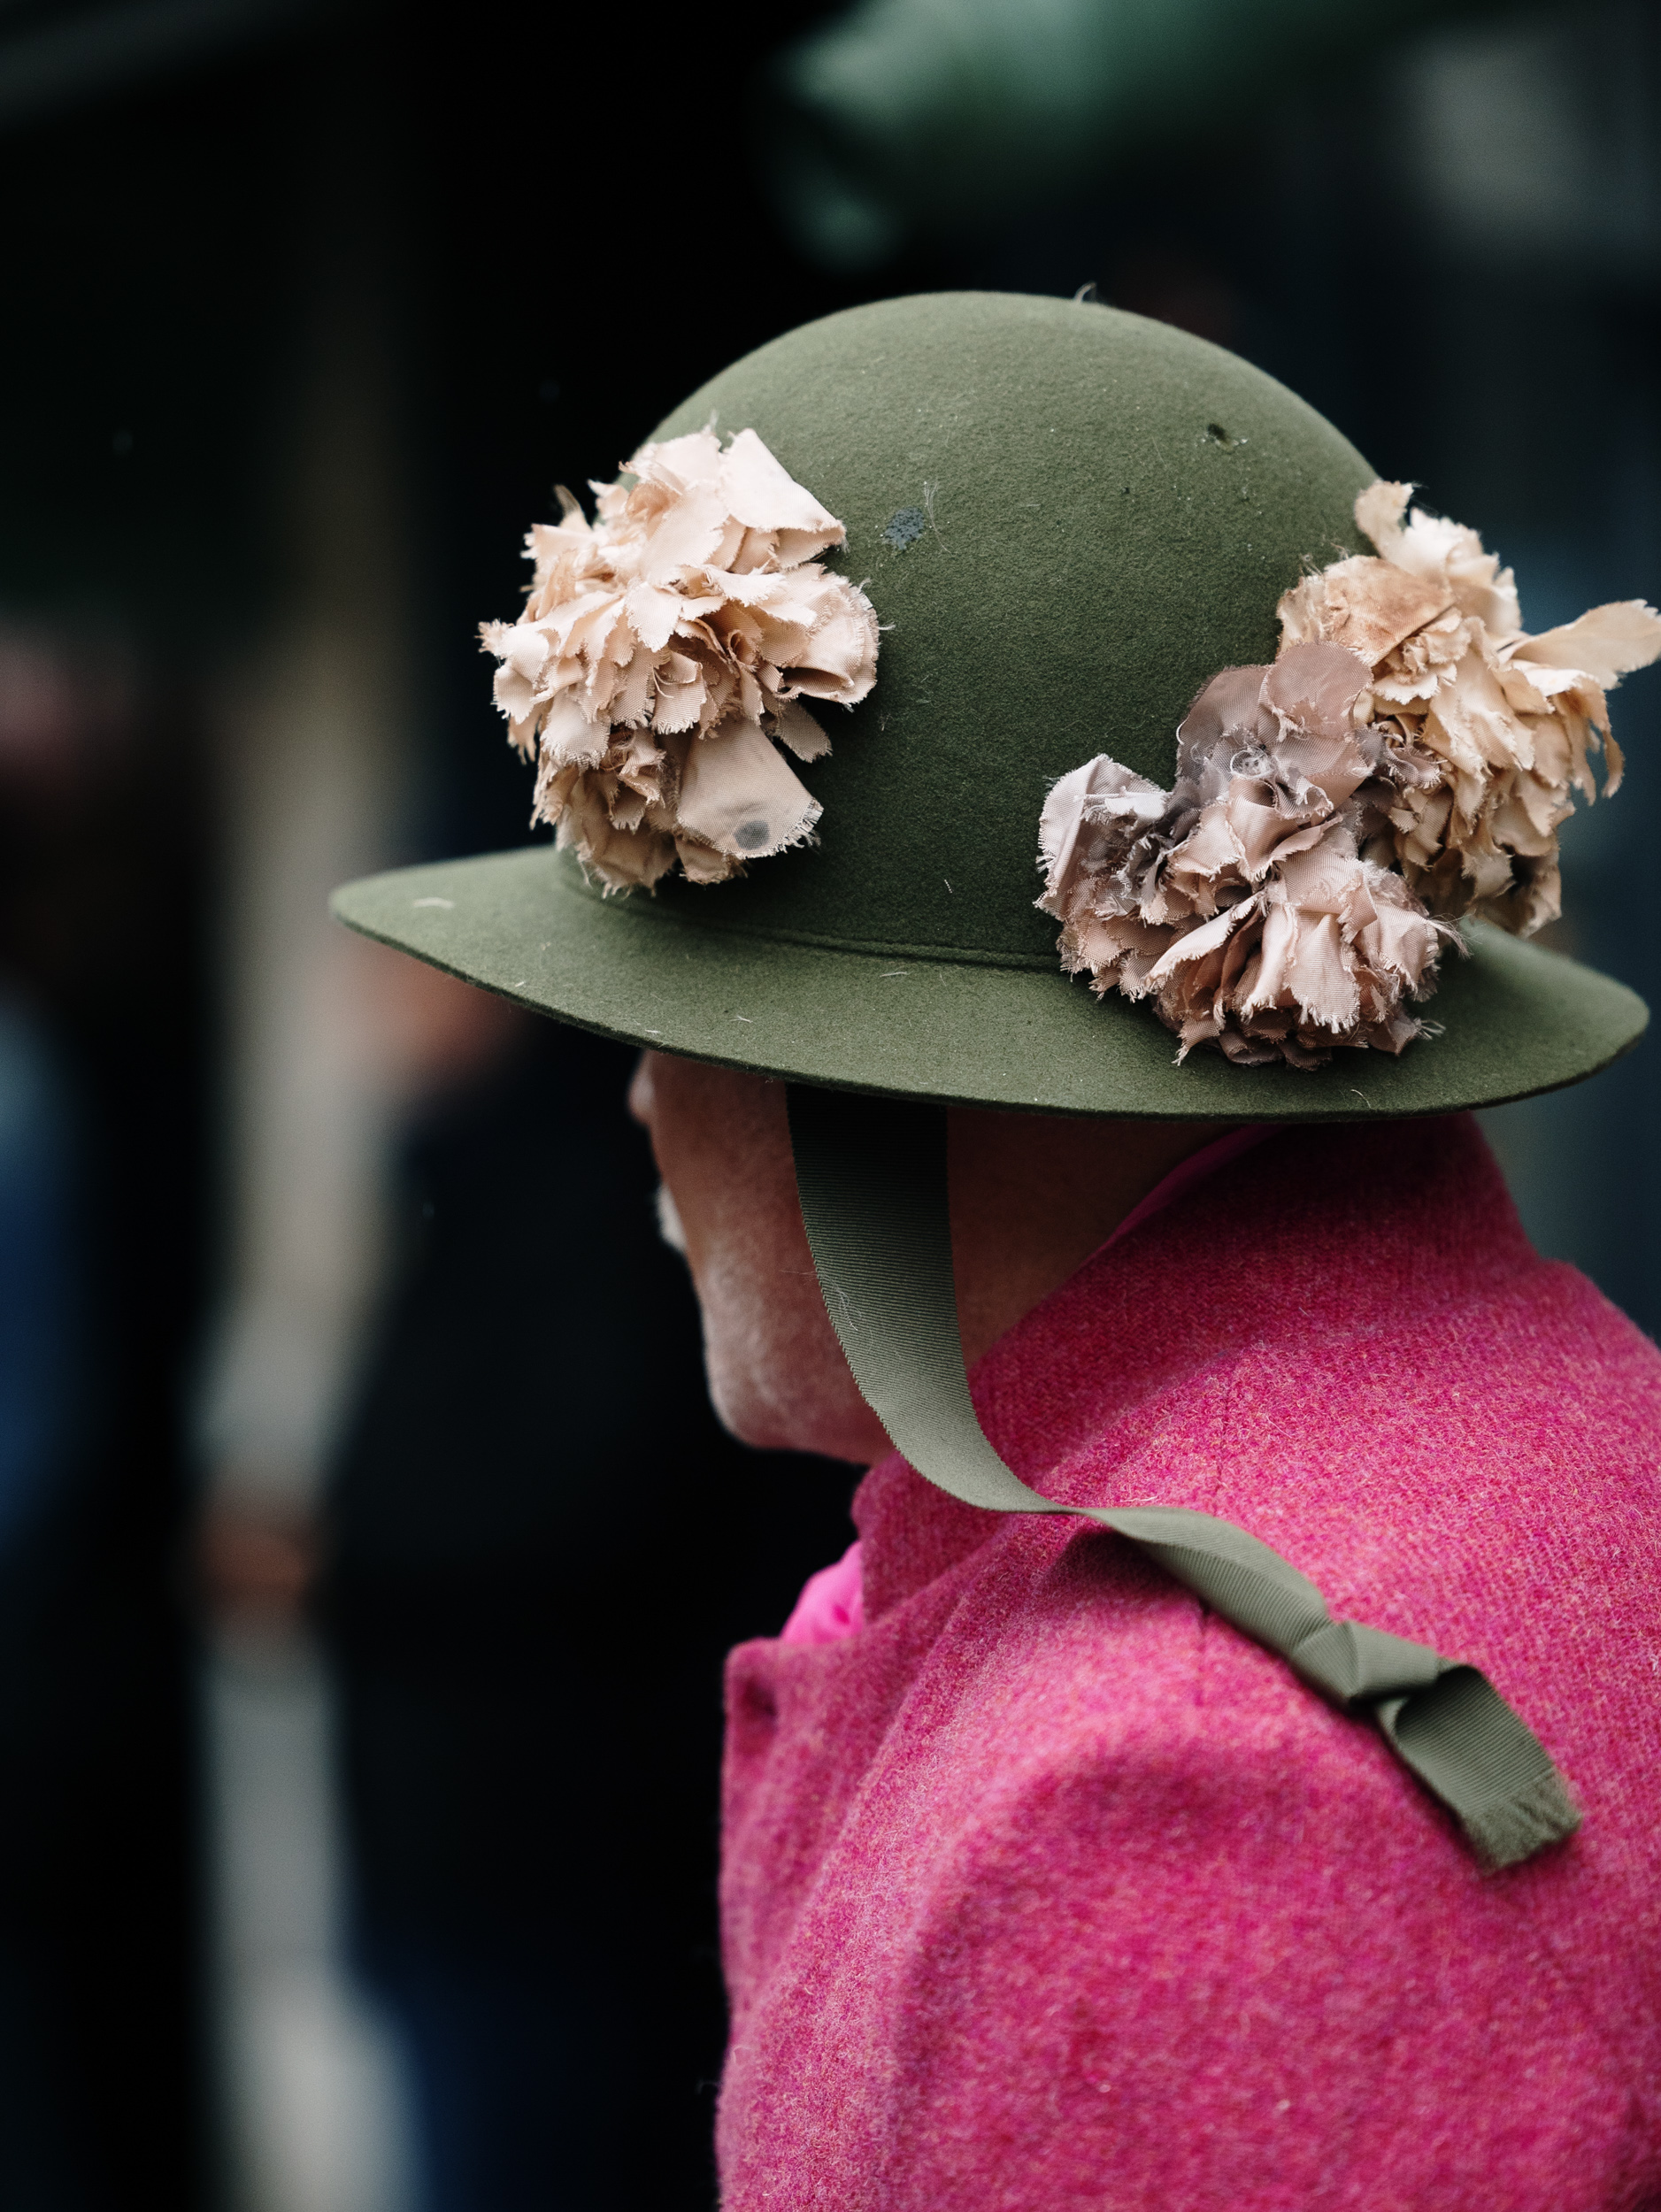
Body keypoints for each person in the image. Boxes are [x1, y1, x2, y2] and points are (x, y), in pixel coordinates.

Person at [335, 292, 1661, 2208]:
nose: (638, 1099)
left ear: (889, 1071)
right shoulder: (1553, 1430)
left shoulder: (1170, 1813)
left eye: (680, 1005)